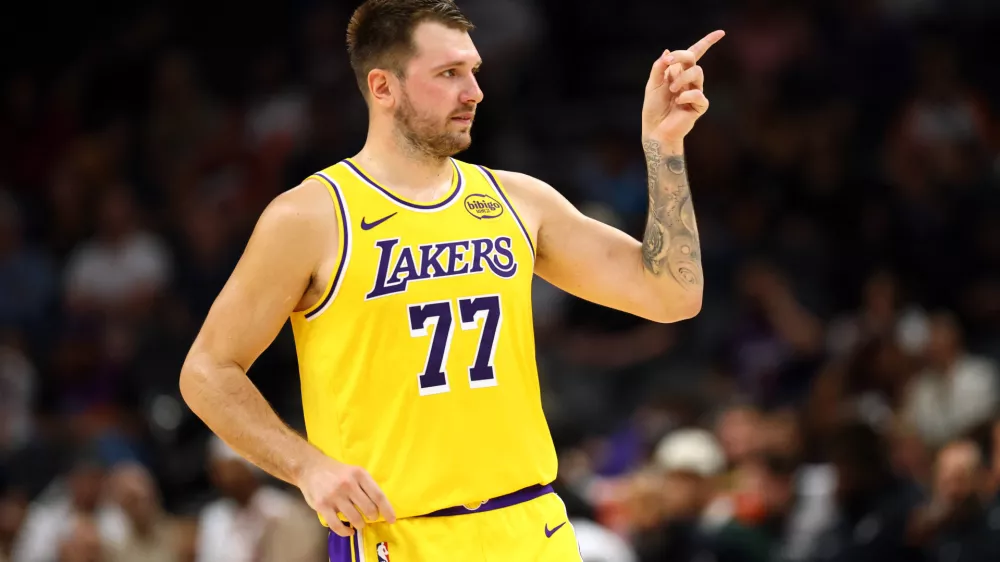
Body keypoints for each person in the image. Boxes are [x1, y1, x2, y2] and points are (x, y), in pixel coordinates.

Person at [179, 0, 721, 559]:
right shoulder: (311, 217)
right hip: (403, 535)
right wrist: (307, 467)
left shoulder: (517, 199)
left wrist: (663, 147)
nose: (474, 92)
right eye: (448, 74)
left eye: (474, 71)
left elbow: (672, 294)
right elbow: (206, 371)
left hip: (532, 528)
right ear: (383, 87)